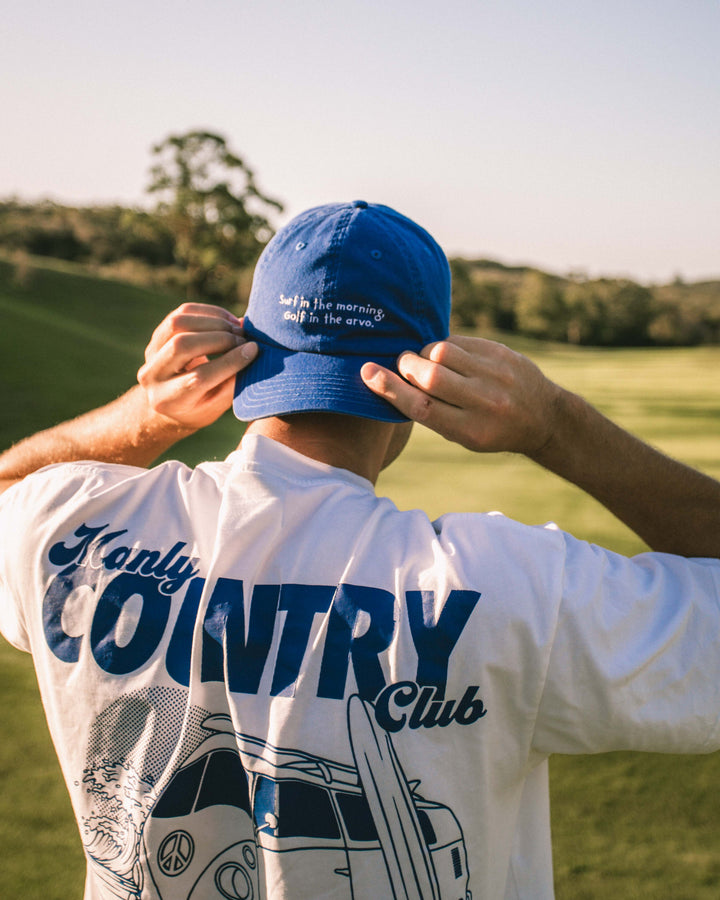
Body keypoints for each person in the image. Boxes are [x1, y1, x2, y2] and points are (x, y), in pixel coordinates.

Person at [0, 200, 719, 900]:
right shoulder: (513, 585)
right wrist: (556, 427)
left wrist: (145, 412)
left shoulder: (63, 522)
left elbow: (14, 489)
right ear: (421, 378)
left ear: (242, 353)